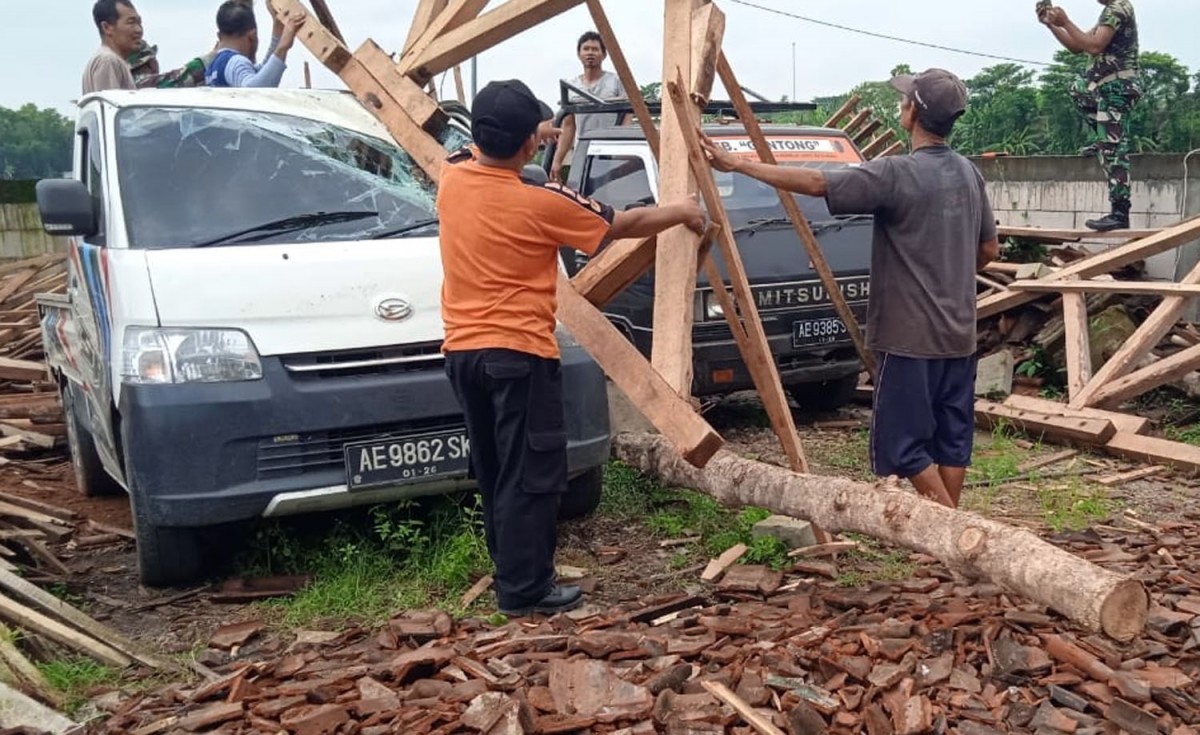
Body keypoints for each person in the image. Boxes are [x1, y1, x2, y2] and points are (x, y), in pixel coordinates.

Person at [438, 79, 706, 616]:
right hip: (517, 354)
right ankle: (526, 591)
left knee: (495, 471)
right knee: (530, 476)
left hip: (462, 352)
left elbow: (464, 144)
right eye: (536, 134)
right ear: (527, 146)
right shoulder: (538, 201)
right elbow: (620, 224)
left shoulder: (452, 179)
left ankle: (510, 574)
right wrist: (682, 210)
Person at [700, 68, 1001, 510]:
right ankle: (951, 542)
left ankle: (951, 530)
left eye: (904, 101)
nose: (901, 106)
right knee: (951, 438)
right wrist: (951, 271)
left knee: (904, 445)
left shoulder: (897, 173)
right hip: (958, 334)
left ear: (913, 112)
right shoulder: (968, 174)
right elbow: (989, 249)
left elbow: (818, 183)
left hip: (909, 340)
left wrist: (736, 165)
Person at [1039, 1, 1140, 232]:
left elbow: (1094, 46)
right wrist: (1052, 26)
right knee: (1079, 88)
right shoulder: (1107, 13)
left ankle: (1120, 212)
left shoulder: (1118, 8)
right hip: (1103, 88)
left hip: (1119, 86)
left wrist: (1064, 21)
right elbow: (1078, 45)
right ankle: (1102, 141)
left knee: (1114, 149)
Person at [549, 31, 628, 183]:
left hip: (611, 151)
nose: (590, 53)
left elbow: (627, 114)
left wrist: (622, 146)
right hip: (583, 151)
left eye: (595, 49)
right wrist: (557, 160)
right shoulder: (572, 87)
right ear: (579, 54)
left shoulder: (616, 81)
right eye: (586, 49)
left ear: (604, 54)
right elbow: (568, 127)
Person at [205, 0, 306, 88]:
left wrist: (277, 25)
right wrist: (282, 47)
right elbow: (256, 90)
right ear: (252, 36)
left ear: (220, 36)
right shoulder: (235, 62)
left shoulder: (214, 66)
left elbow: (263, 73)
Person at [83, 0, 142, 94]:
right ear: (106, 27)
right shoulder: (108, 61)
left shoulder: (109, 60)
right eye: (131, 22)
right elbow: (111, 107)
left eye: (139, 23)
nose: (139, 29)